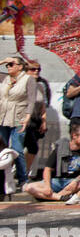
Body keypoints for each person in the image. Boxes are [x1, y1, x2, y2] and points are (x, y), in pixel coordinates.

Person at [25, 123, 80, 202]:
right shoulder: (60, 148)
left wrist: (75, 181)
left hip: (73, 181)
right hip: (57, 181)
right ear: (74, 136)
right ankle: (60, 197)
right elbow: (47, 169)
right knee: (29, 187)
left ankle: (52, 197)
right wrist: (48, 187)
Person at [0, 57, 37, 195]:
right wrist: (3, 61)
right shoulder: (5, 78)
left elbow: (32, 100)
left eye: (11, 64)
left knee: (17, 148)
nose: (8, 67)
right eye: (7, 65)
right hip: (2, 117)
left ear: (20, 66)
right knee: (5, 149)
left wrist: (27, 117)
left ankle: (23, 179)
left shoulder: (28, 79)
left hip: (18, 117)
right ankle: (6, 179)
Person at [22, 60, 51, 174]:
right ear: (25, 71)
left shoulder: (40, 86)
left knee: (32, 148)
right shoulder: (21, 84)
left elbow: (43, 105)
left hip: (35, 120)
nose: (36, 71)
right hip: (22, 120)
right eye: (33, 69)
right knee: (18, 149)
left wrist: (44, 121)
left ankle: (24, 172)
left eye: (38, 69)